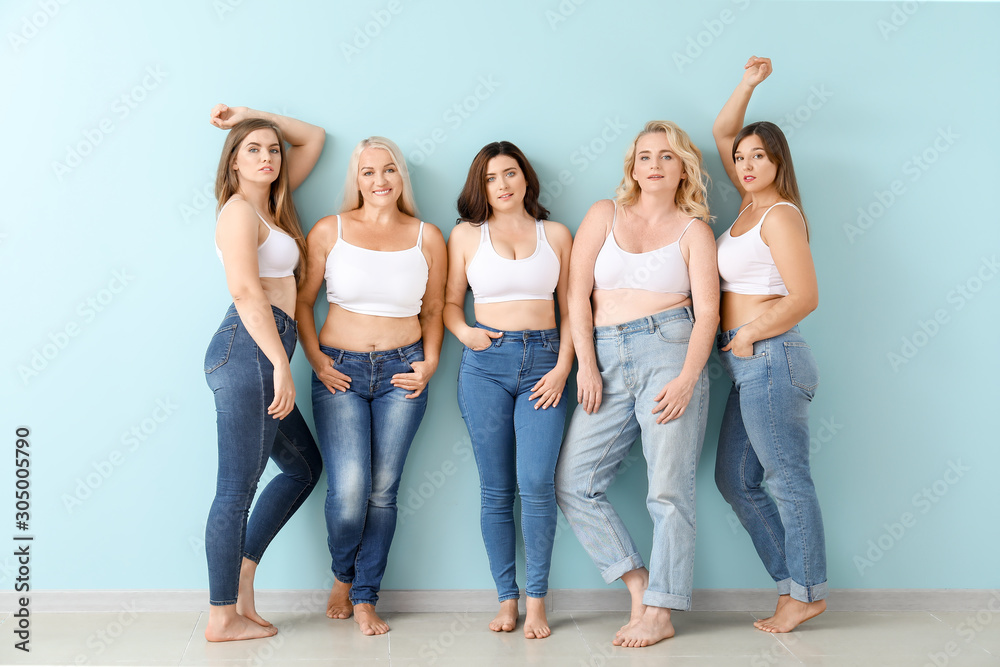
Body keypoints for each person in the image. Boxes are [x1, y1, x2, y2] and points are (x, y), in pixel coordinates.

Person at [555, 121, 719, 647]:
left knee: (669, 491)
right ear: (632, 165)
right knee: (574, 482)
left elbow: (709, 314)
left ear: (683, 168)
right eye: (645, 156)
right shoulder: (604, 214)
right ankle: (639, 583)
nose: (654, 164)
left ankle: (663, 611)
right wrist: (585, 364)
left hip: (668, 352)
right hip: (602, 355)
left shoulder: (694, 230)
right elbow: (576, 294)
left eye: (667, 157)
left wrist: (689, 378)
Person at [296, 136, 447, 636]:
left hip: (403, 370)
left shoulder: (428, 236)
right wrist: (316, 360)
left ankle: (364, 595)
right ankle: (343, 572)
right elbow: (303, 302)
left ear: (401, 176)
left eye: (388, 170)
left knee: (383, 491)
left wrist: (429, 365)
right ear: (355, 180)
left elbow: (431, 312)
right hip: (339, 367)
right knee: (349, 491)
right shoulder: (329, 230)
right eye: (367, 172)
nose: (379, 180)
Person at [712, 56, 827, 633]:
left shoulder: (778, 214)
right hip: (747, 362)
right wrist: (748, 84)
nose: (747, 162)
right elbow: (722, 132)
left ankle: (805, 592)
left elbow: (804, 296)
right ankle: (793, 585)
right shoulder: (746, 205)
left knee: (786, 476)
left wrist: (750, 333)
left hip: (772, 356)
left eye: (760, 155)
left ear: (779, 160)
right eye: (742, 158)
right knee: (735, 479)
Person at [203, 105, 326, 642]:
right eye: (252, 149)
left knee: (302, 467)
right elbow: (246, 293)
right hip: (249, 349)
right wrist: (282, 363)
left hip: (260, 350)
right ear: (233, 162)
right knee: (235, 490)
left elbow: (315, 137)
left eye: (272, 149)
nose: (267, 156)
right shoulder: (237, 213)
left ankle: (244, 575)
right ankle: (220, 616)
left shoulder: (272, 206)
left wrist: (251, 116)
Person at [444, 141, 575, 639]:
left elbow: (572, 309)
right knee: (496, 489)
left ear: (526, 179)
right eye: (491, 177)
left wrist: (564, 365)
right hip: (485, 366)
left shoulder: (556, 234)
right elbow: (449, 305)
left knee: (537, 484)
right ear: (481, 186)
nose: (502, 185)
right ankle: (506, 598)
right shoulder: (465, 236)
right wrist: (466, 334)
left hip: (545, 362)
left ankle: (537, 601)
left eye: (510, 173)